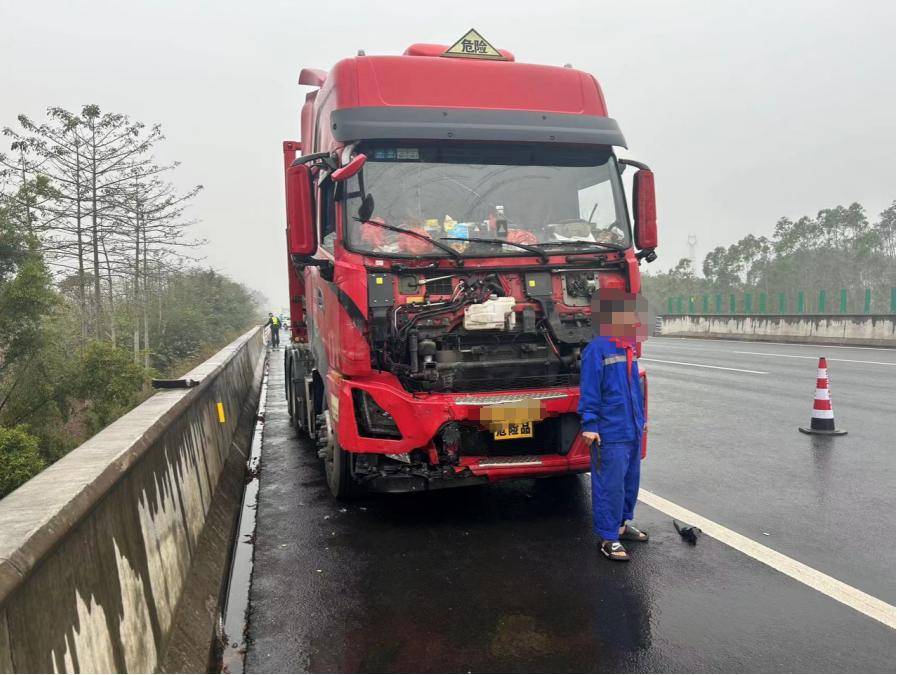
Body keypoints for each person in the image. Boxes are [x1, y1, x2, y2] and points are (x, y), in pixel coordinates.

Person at [577, 290, 648, 561]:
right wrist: (590, 424)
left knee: (630, 480)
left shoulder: (627, 346)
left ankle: (621, 525)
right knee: (610, 484)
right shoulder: (598, 349)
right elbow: (591, 391)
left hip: (630, 428)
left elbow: (633, 390)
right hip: (610, 430)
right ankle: (608, 538)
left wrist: (641, 421)